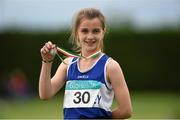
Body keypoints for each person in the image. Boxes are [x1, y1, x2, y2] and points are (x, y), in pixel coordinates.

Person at [39, 8, 132, 119]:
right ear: (76, 32)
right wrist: (47, 61)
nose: (90, 36)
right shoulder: (68, 65)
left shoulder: (110, 66)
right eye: (84, 31)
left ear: (103, 32)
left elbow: (126, 110)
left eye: (96, 31)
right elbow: (45, 94)